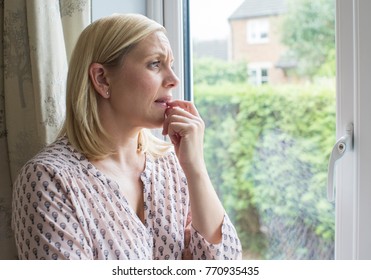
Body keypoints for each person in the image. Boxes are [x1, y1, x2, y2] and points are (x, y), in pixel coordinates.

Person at [12, 13, 242, 260]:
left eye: (171, 64)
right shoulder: (49, 179)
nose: (174, 80)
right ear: (102, 78)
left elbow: (224, 266)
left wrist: (195, 166)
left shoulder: (173, 167)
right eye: (155, 63)